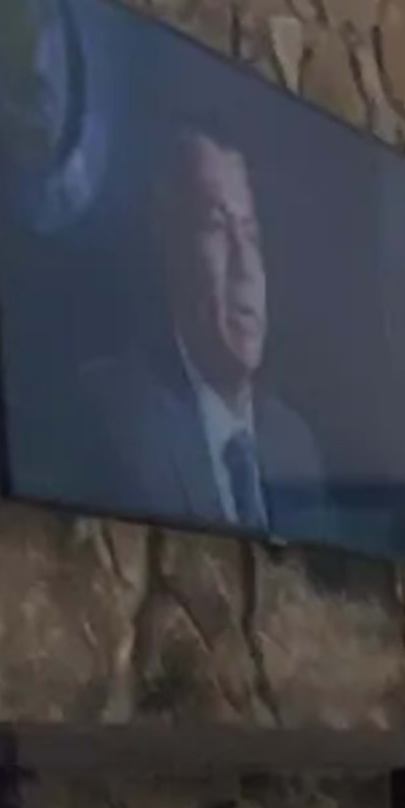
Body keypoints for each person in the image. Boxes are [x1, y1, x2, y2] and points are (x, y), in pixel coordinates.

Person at [79, 126, 331, 538]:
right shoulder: (114, 414)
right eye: (217, 228)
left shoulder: (295, 446)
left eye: (251, 235)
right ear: (169, 248)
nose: (245, 266)